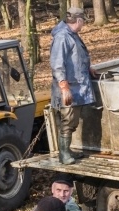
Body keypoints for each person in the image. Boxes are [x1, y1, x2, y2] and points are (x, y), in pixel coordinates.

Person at [50, 7, 96, 165]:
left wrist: (87, 67)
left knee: (72, 120)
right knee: (68, 120)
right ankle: (64, 154)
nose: (83, 25)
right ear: (79, 21)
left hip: (77, 86)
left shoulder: (71, 34)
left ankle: (67, 151)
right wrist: (64, 87)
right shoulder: (63, 37)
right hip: (70, 88)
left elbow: (74, 57)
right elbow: (57, 64)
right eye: (83, 22)